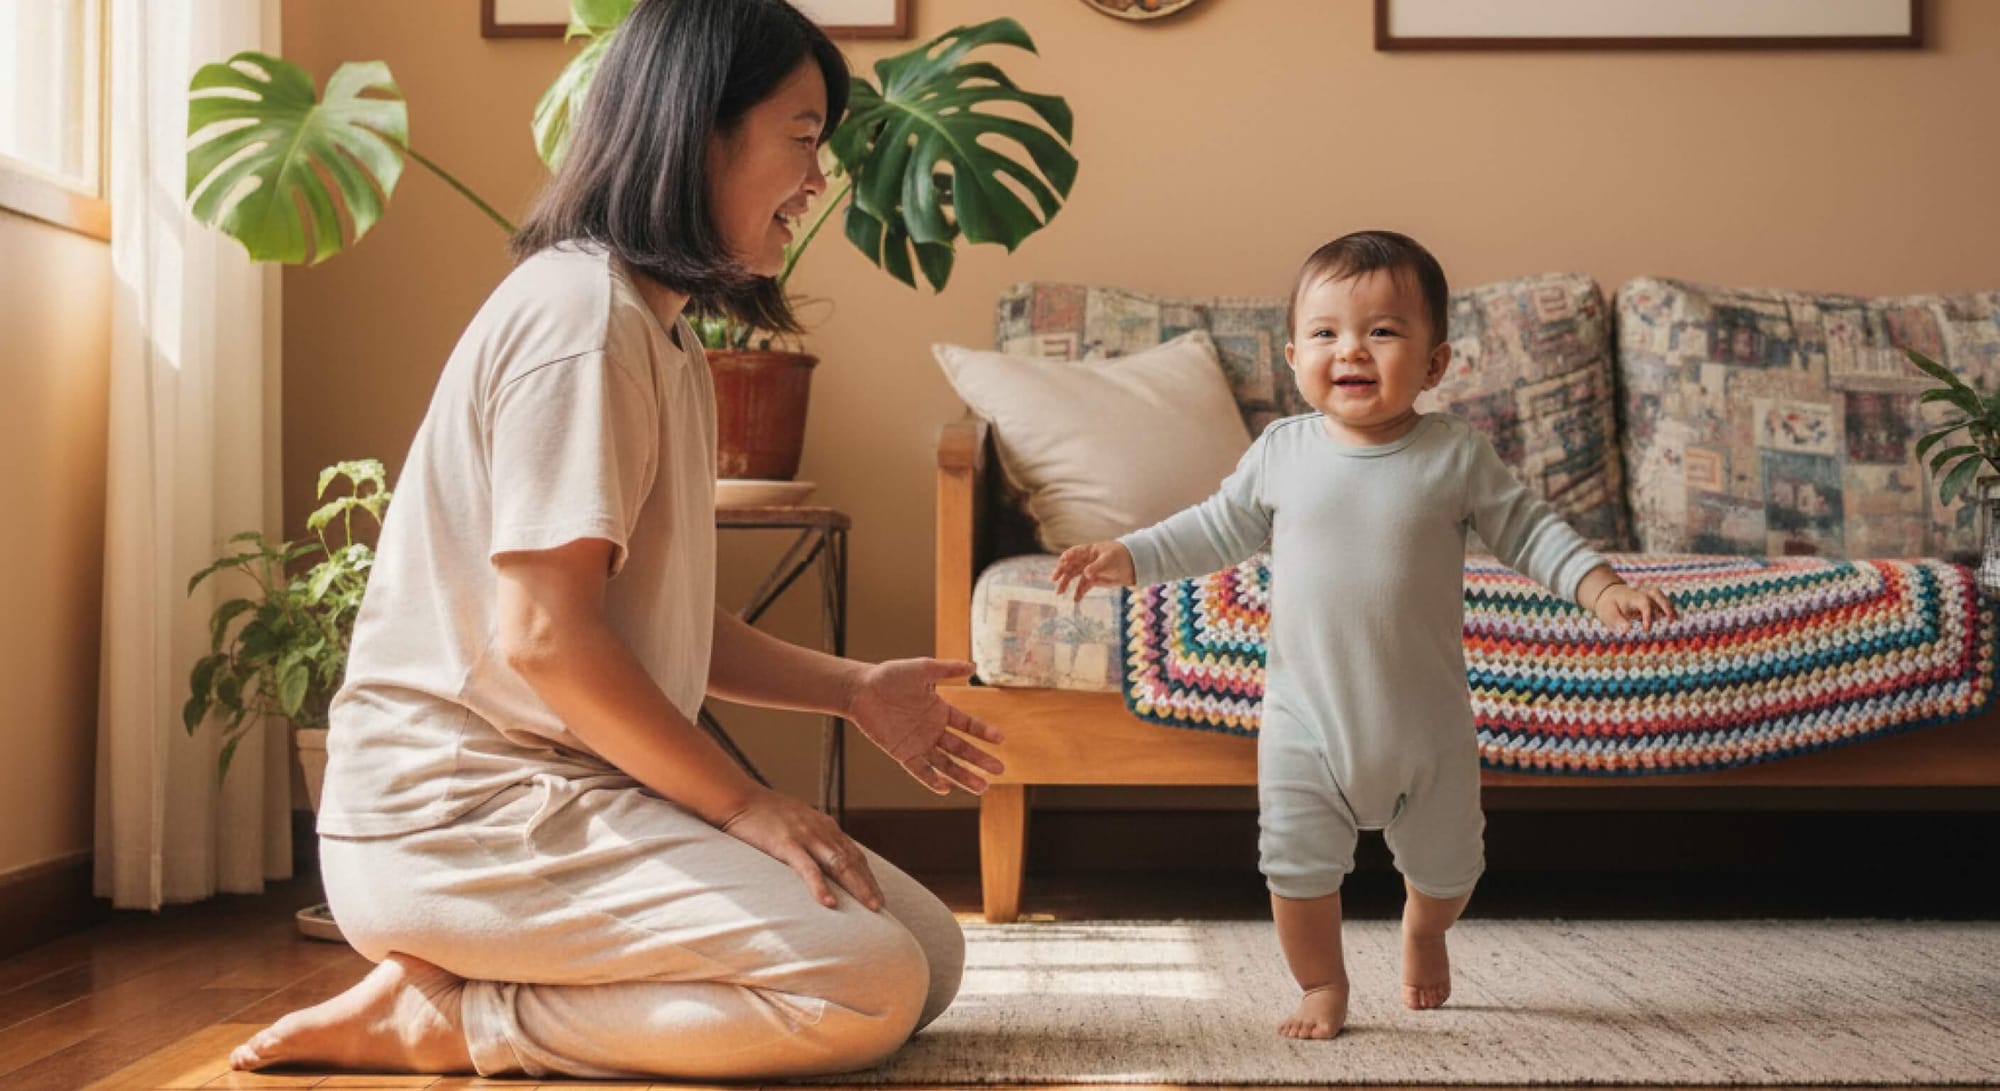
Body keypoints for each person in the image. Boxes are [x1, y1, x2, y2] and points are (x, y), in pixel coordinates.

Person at [230, 0, 1003, 1079]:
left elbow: (652, 621)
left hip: (555, 793)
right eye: (801, 136)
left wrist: (854, 685)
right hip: (458, 815)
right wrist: (746, 803)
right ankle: (455, 1020)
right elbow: (547, 637)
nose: (818, 178)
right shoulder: (581, 323)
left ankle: (463, 987)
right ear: (699, 131)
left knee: (924, 955)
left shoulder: (654, 327)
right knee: (862, 981)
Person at [1052, 230, 1674, 1040]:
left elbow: (1531, 531)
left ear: (1436, 362)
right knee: (1295, 868)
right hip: (1306, 722)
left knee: (1452, 869)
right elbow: (1212, 529)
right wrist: (1126, 556)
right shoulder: (1283, 452)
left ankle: (1425, 927)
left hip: (1429, 727)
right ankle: (1322, 984)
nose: (1352, 349)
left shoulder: (1455, 456)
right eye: (1326, 333)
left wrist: (1603, 586)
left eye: (1382, 331)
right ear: (1292, 355)